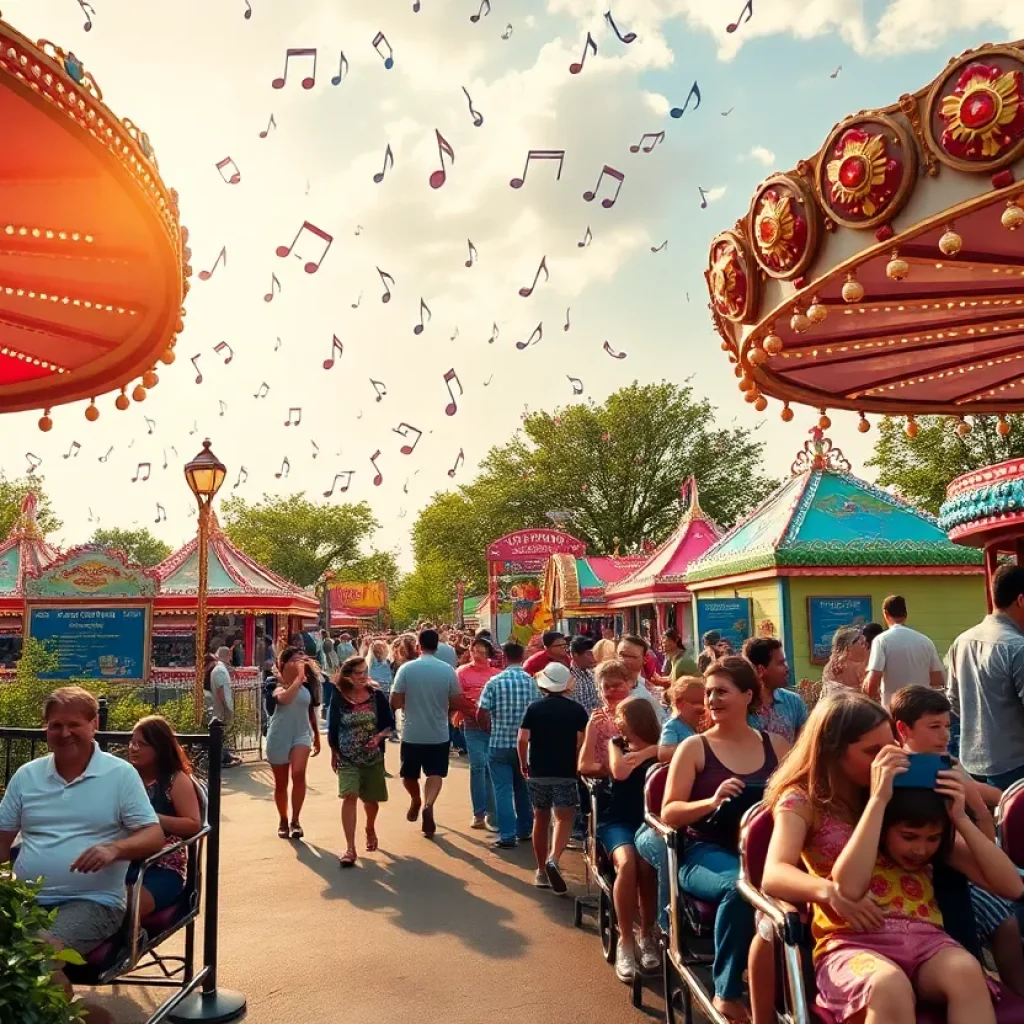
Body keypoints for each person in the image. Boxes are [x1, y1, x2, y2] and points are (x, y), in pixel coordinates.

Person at [0, 688, 164, 1024]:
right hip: (27, 899)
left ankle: (77, 1017)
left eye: (74, 724)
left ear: (93, 724)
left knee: (34, 955)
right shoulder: (27, 776)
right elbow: (2, 839)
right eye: (55, 725)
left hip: (93, 901)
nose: (64, 733)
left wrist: (114, 848)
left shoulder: (119, 775)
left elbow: (153, 834)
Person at [661, 657, 790, 1022]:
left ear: (748, 695)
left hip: (766, 853)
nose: (712, 699)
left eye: (722, 691)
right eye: (709, 692)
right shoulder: (694, 748)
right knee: (741, 887)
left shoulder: (777, 746)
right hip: (705, 852)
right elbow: (669, 811)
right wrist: (713, 801)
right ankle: (727, 991)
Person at [890, 685, 1024, 994]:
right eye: (934, 727)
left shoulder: (950, 767)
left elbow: (987, 840)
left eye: (947, 726)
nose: (944, 736)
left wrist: (972, 803)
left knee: (1004, 917)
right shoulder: (891, 771)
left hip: (956, 872)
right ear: (903, 729)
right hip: (911, 882)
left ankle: (1014, 995)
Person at [602, 697, 663, 982]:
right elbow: (620, 771)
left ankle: (646, 933)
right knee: (627, 863)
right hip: (620, 820)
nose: (617, 722)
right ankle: (626, 939)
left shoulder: (663, 744)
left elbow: (686, 749)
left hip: (649, 821)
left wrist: (650, 750)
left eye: (621, 716)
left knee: (646, 864)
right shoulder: (617, 744)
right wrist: (642, 753)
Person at [947, 563, 1024, 790]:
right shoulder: (1017, 648)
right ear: (1021, 600)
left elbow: (953, 702)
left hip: (970, 764)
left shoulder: (961, 641)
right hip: (1015, 766)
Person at [518, 661, 589, 892]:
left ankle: (540, 870)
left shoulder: (534, 708)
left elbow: (522, 739)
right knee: (564, 818)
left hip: (538, 770)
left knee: (540, 818)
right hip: (566, 771)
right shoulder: (577, 710)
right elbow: (581, 741)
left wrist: (523, 763)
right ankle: (554, 858)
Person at [391, 628, 467, 838]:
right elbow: (458, 700)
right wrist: (447, 710)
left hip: (412, 732)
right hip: (439, 732)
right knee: (435, 773)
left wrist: (406, 702)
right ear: (438, 646)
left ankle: (416, 799)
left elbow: (395, 701)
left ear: (418, 646)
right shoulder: (448, 670)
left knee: (408, 775)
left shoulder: (406, 670)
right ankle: (428, 804)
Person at [126, 716, 203, 918]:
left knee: (123, 905)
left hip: (162, 865)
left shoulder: (175, 780)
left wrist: (151, 817)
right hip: (123, 858)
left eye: (141, 744)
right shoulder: (125, 777)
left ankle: (130, 943)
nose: (133, 748)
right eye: (132, 742)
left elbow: (193, 824)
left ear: (159, 747)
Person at [329, 656, 395, 867]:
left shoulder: (376, 696)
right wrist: (333, 751)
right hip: (347, 756)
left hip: (372, 757)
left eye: (365, 672)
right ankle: (350, 848)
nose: (363, 677)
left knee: (370, 801)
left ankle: (370, 827)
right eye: (358, 673)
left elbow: (389, 724)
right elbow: (333, 727)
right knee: (349, 795)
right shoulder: (339, 697)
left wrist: (378, 737)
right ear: (348, 675)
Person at [478, 641, 538, 850]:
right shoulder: (532, 682)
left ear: (503, 657)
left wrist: (488, 729)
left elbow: (482, 712)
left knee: (502, 790)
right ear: (522, 657)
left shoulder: (494, 682)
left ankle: (507, 835)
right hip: (526, 746)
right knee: (523, 789)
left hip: (499, 743)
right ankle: (525, 830)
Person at [265, 647, 321, 839]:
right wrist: (297, 680)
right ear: (284, 664)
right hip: (279, 735)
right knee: (281, 784)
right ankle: (283, 819)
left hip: (301, 734)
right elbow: (285, 699)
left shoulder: (307, 686)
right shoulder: (274, 684)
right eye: (294, 661)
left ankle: (295, 820)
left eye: (301, 660)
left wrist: (317, 736)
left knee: (298, 774)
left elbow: (310, 711)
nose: (299, 664)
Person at [863, 594, 944, 707]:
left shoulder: (882, 640)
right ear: (906, 614)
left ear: (885, 613)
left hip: (893, 709)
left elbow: (873, 681)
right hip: (922, 709)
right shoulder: (925, 641)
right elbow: (938, 679)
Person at [456, 637, 499, 830]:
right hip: (472, 725)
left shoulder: (496, 674)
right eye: (475, 651)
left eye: (482, 652)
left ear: (488, 653)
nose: (478, 655)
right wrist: (457, 712)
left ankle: (492, 812)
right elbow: (456, 696)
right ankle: (478, 813)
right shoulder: (462, 672)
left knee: (491, 768)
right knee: (478, 767)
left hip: (493, 726)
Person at [578, 659, 640, 777]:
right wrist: (612, 769)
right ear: (599, 692)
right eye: (607, 687)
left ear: (630, 684)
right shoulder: (597, 720)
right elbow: (584, 766)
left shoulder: (640, 713)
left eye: (617, 685)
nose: (612, 690)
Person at [743, 637, 808, 744]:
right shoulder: (742, 706)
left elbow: (804, 745)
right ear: (760, 670)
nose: (787, 668)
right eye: (780, 663)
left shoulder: (794, 702)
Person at [617, 635, 667, 722]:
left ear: (644, 659)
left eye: (633, 657)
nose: (626, 660)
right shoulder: (608, 684)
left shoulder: (643, 685)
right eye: (623, 655)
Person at [658, 675, 705, 761]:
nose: (701, 707)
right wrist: (693, 747)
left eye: (703, 702)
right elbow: (664, 753)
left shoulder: (703, 723)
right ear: (679, 704)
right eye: (695, 702)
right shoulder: (673, 726)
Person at [208, 646, 241, 766]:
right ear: (228, 656)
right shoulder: (220, 670)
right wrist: (226, 707)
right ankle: (221, 758)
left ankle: (224, 755)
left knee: (223, 734)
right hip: (221, 707)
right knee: (221, 733)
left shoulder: (220, 669)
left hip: (221, 706)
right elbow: (221, 690)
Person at [821, 626, 870, 694]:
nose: (865, 646)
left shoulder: (830, 665)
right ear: (848, 646)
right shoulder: (857, 667)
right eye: (862, 643)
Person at [567, 635, 600, 713]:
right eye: (589, 654)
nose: (594, 657)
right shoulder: (569, 680)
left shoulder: (593, 675)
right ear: (575, 655)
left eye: (594, 653)